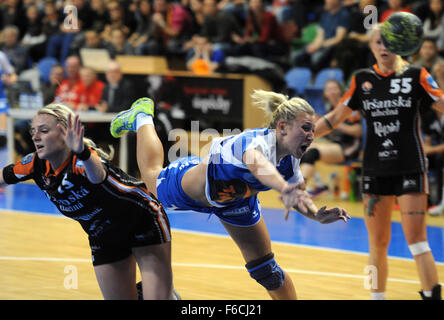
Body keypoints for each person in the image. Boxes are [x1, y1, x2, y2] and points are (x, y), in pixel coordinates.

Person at [109, 93, 350, 300]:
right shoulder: (255, 143)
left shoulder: (292, 156)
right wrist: (283, 188)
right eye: (305, 128)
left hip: (237, 202)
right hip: (195, 186)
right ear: (283, 127)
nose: (311, 135)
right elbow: (257, 165)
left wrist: (316, 215)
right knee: (152, 177)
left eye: (313, 129)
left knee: (267, 271)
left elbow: (299, 195)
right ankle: (142, 116)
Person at [314, 23, 443, 300]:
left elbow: (442, 103)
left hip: (410, 167)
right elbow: (335, 119)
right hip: (375, 169)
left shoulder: (416, 75)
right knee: (377, 243)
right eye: (377, 41)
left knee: (417, 241)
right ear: (371, 46)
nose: (383, 46)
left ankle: (432, 295)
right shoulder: (361, 80)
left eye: (388, 41)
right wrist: (302, 136)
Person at [0, 103, 177, 300]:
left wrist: (82, 152)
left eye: (44, 130)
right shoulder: (35, 165)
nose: (35, 136)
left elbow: (97, 175)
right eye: (33, 131)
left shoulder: (82, 160)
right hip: (103, 234)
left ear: (65, 133)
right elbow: (3, 176)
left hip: (141, 220)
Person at [300, 79, 363, 197]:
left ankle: (299, 190)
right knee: (302, 149)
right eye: (329, 89)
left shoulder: (350, 107)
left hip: (350, 146)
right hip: (335, 144)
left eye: (335, 88)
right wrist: (320, 124)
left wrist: (334, 124)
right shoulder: (330, 109)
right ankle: (319, 185)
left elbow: (358, 132)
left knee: (312, 152)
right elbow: (332, 133)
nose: (332, 91)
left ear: (340, 90)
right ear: (325, 94)